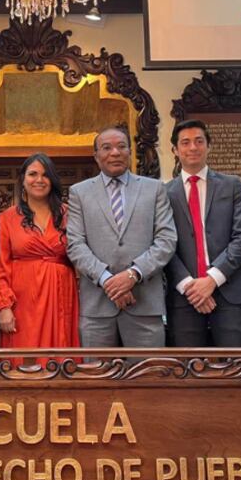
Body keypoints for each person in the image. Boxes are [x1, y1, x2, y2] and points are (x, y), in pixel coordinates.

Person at [66, 126, 176, 348]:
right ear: (96, 156)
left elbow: (166, 239)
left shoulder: (154, 189)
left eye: (121, 146)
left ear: (130, 152)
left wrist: (133, 275)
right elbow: (75, 245)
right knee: (96, 370)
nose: (115, 152)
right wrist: (108, 281)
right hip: (97, 308)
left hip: (144, 303)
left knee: (149, 369)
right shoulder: (79, 192)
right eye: (107, 148)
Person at [164, 120, 241, 347]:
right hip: (184, 296)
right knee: (189, 365)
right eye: (185, 142)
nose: (193, 147)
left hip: (230, 291)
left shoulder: (232, 185)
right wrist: (190, 286)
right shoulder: (164, 193)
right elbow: (162, 243)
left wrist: (212, 279)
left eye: (199, 141)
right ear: (175, 150)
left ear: (208, 146)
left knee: (236, 363)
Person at [0, 153, 79, 363]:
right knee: (24, 362)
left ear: (52, 180)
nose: (39, 179)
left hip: (61, 298)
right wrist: (4, 306)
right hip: (23, 302)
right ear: (22, 179)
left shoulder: (69, 215)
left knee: (61, 360)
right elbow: (0, 267)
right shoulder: (7, 218)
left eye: (45, 175)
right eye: (33, 174)